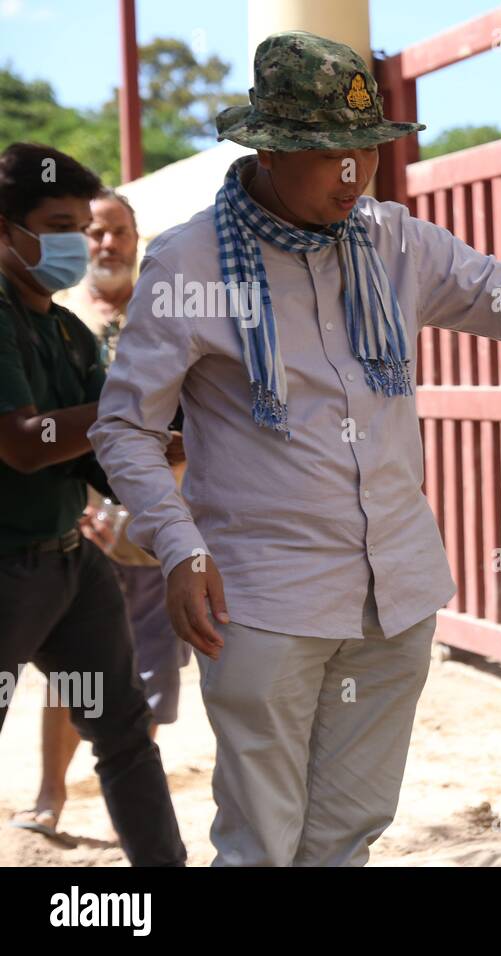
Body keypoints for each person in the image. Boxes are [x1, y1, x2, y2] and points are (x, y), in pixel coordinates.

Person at [89, 31, 501, 867]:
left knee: (344, 838)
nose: (355, 174)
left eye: (366, 151)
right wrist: (177, 549)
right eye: (330, 155)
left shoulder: (396, 243)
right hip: (262, 603)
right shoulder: (189, 263)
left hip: (396, 594)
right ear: (272, 148)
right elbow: (125, 429)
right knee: (260, 844)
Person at [0, 141, 186, 866]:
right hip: (8, 568)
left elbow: (97, 459)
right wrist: (127, 409)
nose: (74, 243)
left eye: (80, 225)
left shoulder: (69, 333)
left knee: (123, 735)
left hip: (72, 572)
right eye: (54, 223)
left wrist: (167, 446)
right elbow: (22, 442)